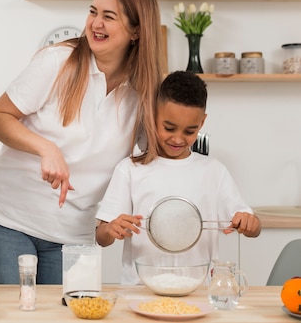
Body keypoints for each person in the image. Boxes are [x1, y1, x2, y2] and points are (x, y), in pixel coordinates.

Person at [0, 0, 164, 284]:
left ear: (136, 31)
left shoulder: (144, 94)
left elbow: (148, 163)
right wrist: (46, 148)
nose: (95, 23)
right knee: (17, 316)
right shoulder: (58, 61)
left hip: (74, 234)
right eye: (93, 12)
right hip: (7, 220)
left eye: (109, 16)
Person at [95, 70, 261, 285]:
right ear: (152, 115)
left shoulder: (214, 172)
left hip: (199, 290)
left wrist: (249, 222)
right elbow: (102, 237)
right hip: (141, 290)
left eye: (189, 131)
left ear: (202, 123)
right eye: (169, 127)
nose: (177, 138)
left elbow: (253, 228)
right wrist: (111, 228)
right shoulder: (129, 169)